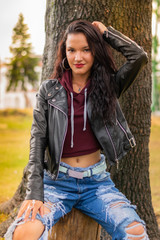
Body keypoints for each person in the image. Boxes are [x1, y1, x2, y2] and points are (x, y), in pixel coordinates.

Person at [5, 20, 149, 240]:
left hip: (97, 184)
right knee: (23, 234)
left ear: (96, 52)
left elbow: (139, 56)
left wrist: (105, 33)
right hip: (56, 183)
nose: (78, 57)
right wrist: (34, 193)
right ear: (64, 53)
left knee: (135, 232)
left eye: (86, 50)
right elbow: (37, 140)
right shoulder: (49, 91)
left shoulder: (108, 86)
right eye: (71, 50)